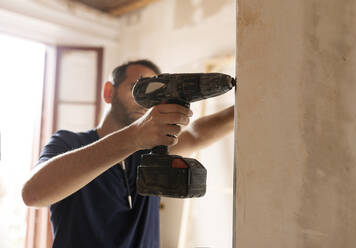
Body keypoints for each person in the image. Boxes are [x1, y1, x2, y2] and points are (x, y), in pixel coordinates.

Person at [22, 59, 234, 247]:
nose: (148, 102)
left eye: (157, 93)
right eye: (138, 89)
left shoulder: (150, 149)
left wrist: (245, 104)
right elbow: (33, 193)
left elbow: (196, 134)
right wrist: (133, 137)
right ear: (108, 92)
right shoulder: (69, 142)